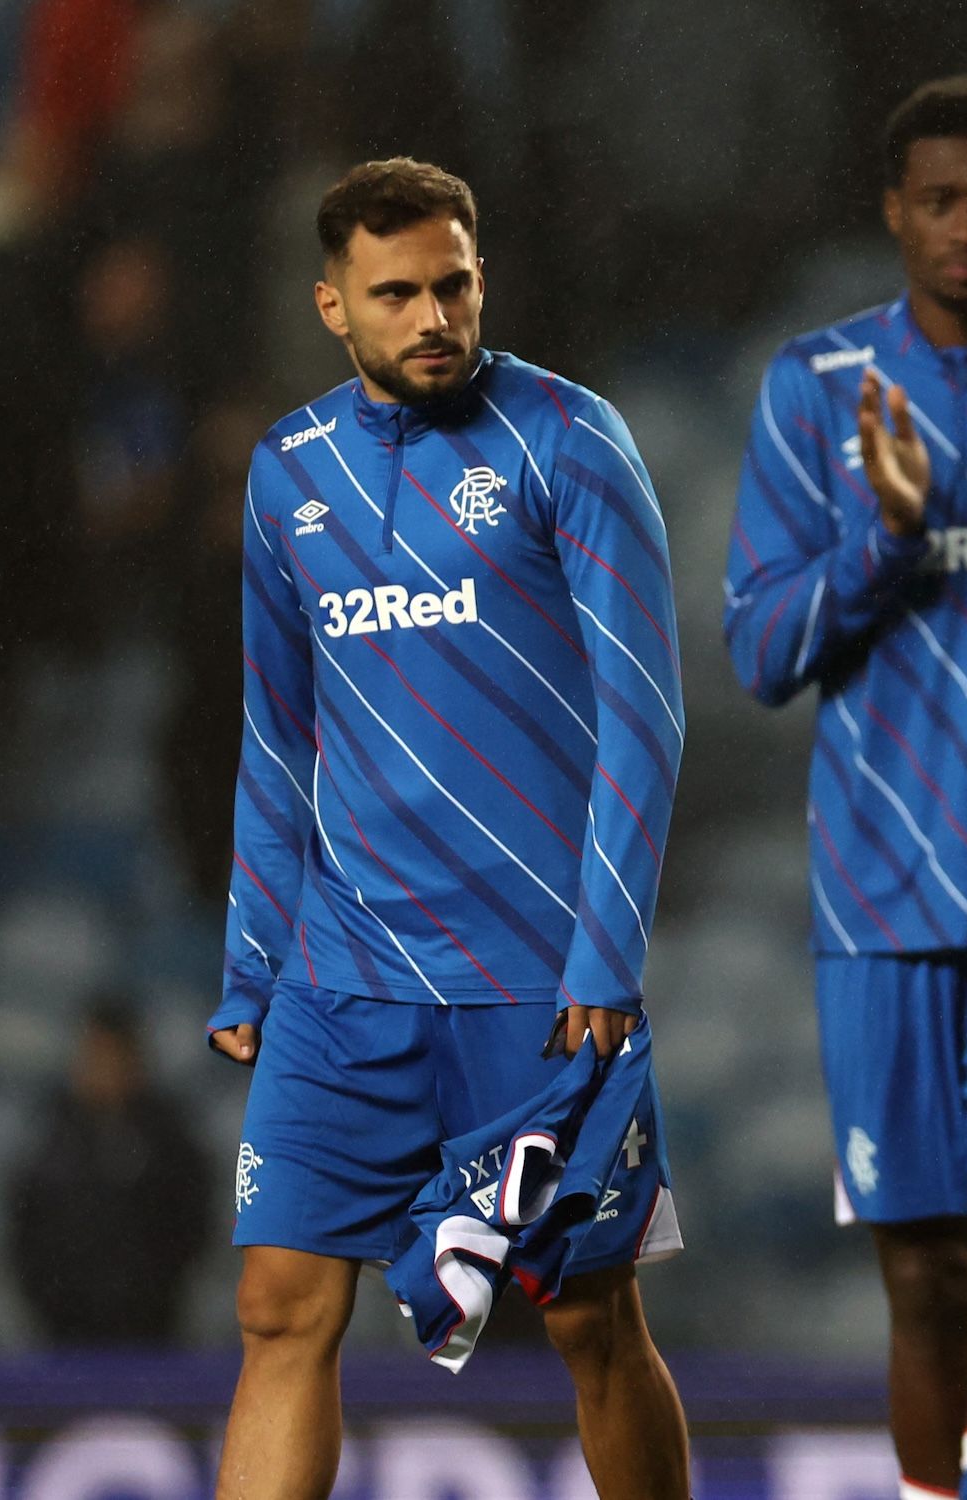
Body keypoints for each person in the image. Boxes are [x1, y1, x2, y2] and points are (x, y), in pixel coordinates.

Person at [213, 157, 690, 1499]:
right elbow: (277, 736)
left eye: (455, 285)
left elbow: (646, 719)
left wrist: (604, 958)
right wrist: (253, 960)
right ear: (331, 305)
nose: (435, 316)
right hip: (342, 976)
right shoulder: (285, 474)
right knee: (277, 1310)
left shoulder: (567, 438)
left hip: (535, 981)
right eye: (398, 293)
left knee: (592, 1323)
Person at [721, 75, 967, 1500]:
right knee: (927, 1282)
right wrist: (883, 543)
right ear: (895, 211)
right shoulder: (816, 389)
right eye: (942, 201)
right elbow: (762, 651)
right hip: (884, 893)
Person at [8, 1001, 214, 1345]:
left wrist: (149, 1288)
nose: (103, 1069)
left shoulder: (170, 1140)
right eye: (94, 1056)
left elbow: (190, 1227)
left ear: (135, 1060)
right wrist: (54, 1299)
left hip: (152, 1333)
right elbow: (25, 1228)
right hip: (63, 1334)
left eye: (113, 1056)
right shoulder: (48, 1135)